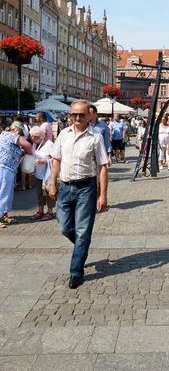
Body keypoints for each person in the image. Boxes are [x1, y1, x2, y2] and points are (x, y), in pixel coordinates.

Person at [49, 100, 108, 289]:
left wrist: (103, 195)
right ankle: (81, 247)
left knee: (82, 231)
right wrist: (52, 183)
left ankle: (76, 272)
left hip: (86, 188)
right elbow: (56, 160)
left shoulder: (95, 137)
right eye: (73, 114)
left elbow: (102, 167)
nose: (76, 118)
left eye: (81, 115)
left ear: (89, 115)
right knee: (65, 228)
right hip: (65, 187)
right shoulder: (64, 135)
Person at [0, 122, 32, 227]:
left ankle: (4, 216)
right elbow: (28, 145)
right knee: (4, 193)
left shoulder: (3, 135)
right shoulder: (12, 135)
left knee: (6, 194)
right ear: (18, 131)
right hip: (6, 168)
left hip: (6, 167)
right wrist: (31, 154)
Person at [30, 126, 55, 220]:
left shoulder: (49, 144)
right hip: (38, 173)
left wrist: (43, 161)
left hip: (48, 174)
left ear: (38, 136)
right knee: (39, 193)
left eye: (32, 136)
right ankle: (40, 210)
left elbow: (54, 159)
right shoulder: (35, 144)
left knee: (48, 193)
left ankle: (50, 211)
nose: (31, 137)